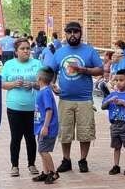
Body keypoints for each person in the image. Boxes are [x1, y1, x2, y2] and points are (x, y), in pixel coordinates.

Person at [43, 21, 103, 173]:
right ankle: (66, 160)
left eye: (75, 32)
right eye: (69, 32)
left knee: (85, 131)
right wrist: (52, 84)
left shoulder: (89, 51)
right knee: (65, 131)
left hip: (84, 99)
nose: (72, 35)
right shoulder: (60, 52)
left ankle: (83, 160)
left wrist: (84, 70)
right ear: (65, 34)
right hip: (65, 98)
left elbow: (100, 70)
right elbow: (52, 70)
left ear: (80, 33)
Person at [1, 36, 42, 177]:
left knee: (30, 137)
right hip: (14, 107)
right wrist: (13, 84)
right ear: (16, 51)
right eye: (22, 49)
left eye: (28, 48)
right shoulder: (8, 65)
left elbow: (42, 84)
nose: (26, 51)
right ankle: (15, 166)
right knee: (16, 137)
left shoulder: (37, 64)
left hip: (32, 107)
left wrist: (32, 84)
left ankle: (32, 164)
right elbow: (1, 83)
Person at [102, 70, 125, 176]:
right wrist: (109, 101)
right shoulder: (112, 94)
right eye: (116, 80)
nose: (118, 82)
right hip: (115, 125)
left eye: (121, 80)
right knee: (116, 147)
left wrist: (124, 103)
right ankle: (116, 165)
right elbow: (103, 106)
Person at [33, 67, 59, 183]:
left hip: (47, 127)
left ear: (39, 78)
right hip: (40, 126)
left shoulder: (46, 92)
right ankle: (46, 172)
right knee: (41, 150)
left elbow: (49, 110)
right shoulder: (43, 91)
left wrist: (46, 126)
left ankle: (53, 173)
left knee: (44, 150)